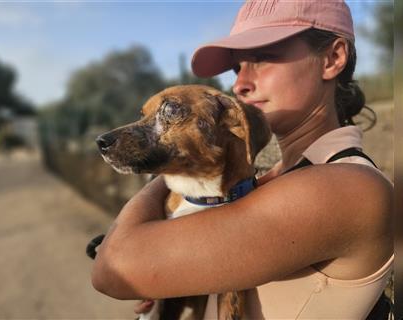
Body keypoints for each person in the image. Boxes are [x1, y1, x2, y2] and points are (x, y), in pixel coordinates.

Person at [91, 1, 394, 319]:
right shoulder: (266, 181)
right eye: (237, 67)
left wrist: (169, 166)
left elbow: (112, 268)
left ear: (332, 59)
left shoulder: (347, 188)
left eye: (263, 59)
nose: (239, 84)